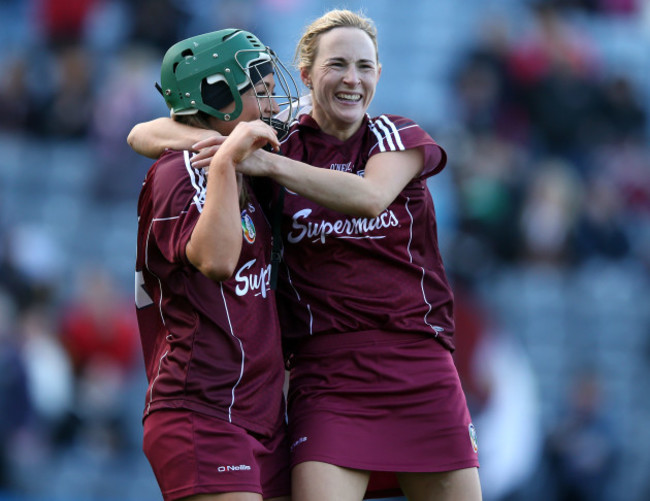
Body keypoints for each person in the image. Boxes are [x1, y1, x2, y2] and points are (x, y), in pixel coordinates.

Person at [128, 10, 482, 501]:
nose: (352, 79)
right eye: (337, 64)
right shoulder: (279, 138)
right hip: (326, 374)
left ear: (380, 73)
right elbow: (143, 134)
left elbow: (368, 197)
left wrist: (260, 159)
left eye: (365, 66)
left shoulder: (395, 137)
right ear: (308, 73)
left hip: (418, 362)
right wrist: (229, 146)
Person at [133, 28, 298, 501]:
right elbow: (218, 260)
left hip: (260, 417)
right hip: (201, 410)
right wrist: (224, 159)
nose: (273, 106)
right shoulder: (179, 172)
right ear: (218, 96)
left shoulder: (253, 162)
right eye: (261, 94)